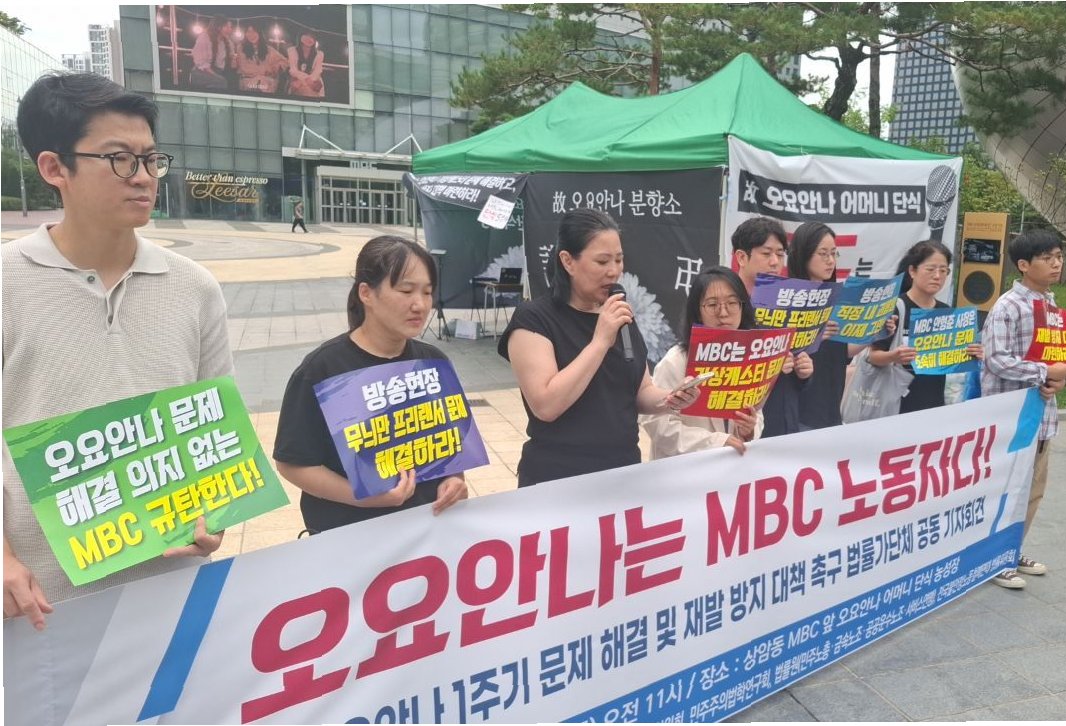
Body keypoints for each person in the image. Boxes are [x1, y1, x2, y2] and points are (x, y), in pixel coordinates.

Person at [5, 73, 229, 629]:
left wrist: (217, 512)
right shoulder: (7, 283)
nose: (144, 176)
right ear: (55, 168)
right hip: (38, 600)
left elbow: (216, 427)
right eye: (120, 159)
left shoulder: (195, 287)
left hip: (171, 591)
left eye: (151, 159)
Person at [274, 236, 468, 533]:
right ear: (366, 293)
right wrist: (364, 497)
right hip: (350, 538)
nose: (420, 304)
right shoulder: (323, 369)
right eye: (406, 290)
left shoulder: (433, 362)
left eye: (427, 292)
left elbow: (452, 447)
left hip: (425, 535)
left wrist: (454, 480)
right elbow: (293, 464)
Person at [498, 208, 698, 487]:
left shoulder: (619, 315)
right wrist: (600, 341)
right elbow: (546, 405)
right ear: (568, 261)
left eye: (619, 259)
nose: (614, 271)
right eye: (602, 261)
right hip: (558, 478)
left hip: (621, 474)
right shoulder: (534, 319)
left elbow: (641, 391)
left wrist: (671, 399)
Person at [981, 229, 1066, 590]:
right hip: (1012, 419)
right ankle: (992, 560)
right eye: (1047, 258)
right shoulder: (1007, 307)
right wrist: (1045, 372)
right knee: (1005, 491)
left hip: (1042, 417)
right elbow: (997, 359)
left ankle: (1011, 550)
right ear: (1023, 265)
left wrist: (1059, 380)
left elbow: (1059, 358)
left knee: (1031, 492)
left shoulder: (1052, 307)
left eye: (1059, 256)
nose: (1056, 263)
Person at [640, 266, 762, 459]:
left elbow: (757, 411)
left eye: (732, 303)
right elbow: (656, 422)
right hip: (686, 470)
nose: (723, 313)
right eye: (712, 305)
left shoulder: (749, 357)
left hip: (732, 468)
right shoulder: (676, 360)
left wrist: (748, 430)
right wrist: (715, 442)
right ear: (697, 311)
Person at [869, 240, 984, 413]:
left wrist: (972, 353)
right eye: (930, 269)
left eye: (943, 270)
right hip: (895, 406)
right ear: (912, 271)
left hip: (934, 406)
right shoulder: (894, 307)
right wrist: (894, 356)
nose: (937, 276)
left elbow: (952, 361)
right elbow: (873, 356)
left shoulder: (947, 312)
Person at [731, 216, 813, 437]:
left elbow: (794, 373)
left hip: (785, 425)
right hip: (742, 428)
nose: (775, 262)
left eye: (780, 254)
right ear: (741, 257)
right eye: (766, 254)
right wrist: (767, 366)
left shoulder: (790, 303)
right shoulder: (725, 304)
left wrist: (803, 371)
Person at [787, 222, 859, 431]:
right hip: (801, 411)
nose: (830, 261)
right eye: (823, 254)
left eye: (834, 254)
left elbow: (842, 351)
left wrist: (875, 331)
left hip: (831, 407)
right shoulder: (788, 299)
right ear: (804, 254)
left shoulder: (836, 298)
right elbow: (783, 353)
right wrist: (814, 336)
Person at [236, 24, 287, 94]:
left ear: (259, 33)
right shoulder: (241, 48)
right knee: (258, 85)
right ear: (245, 34)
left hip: (266, 81)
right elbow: (244, 68)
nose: (251, 34)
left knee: (264, 84)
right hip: (248, 80)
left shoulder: (268, 49)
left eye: (254, 31)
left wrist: (275, 68)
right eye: (249, 31)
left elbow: (284, 61)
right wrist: (263, 72)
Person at [189, 16, 237, 90]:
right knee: (221, 82)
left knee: (233, 81)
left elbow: (231, 58)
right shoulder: (204, 37)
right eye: (226, 27)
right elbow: (202, 64)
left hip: (218, 72)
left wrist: (233, 60)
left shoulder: (227, 41)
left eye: (230, 27)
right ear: (218, 27)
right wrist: (217, 76)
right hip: (202, 72)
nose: (230, 29)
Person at [287, 32, 326, 99]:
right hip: (297, 80)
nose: (309, 39)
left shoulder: (320, 54)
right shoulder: (291, 50)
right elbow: (293, 70)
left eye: (312, 37)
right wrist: (304, 80)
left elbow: (318, 71)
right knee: (295, 86)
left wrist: (308, 81)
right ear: (301, 37)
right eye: (307, 36)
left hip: (313, 82)